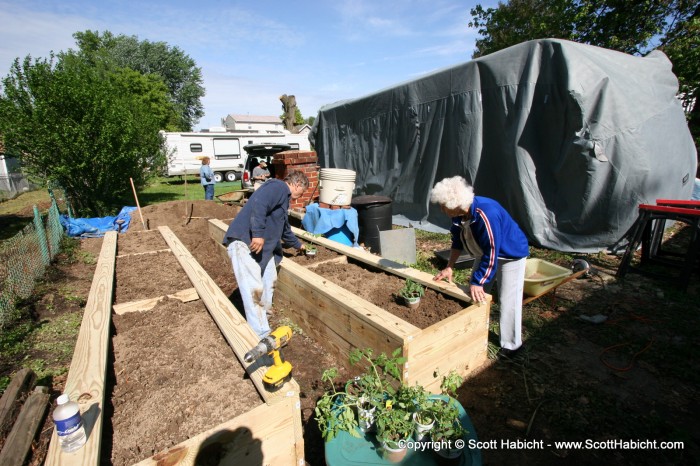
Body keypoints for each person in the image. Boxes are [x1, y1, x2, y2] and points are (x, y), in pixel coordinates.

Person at [430, 176, 529, 359]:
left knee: (508, 300)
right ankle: (474, 329)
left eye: (443, 205)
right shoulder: (459, 215)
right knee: (474, 293)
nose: (442, 209)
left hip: (509, 254)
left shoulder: (486, 213)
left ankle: (512, 346)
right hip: (485, 253)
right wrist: (450, 266)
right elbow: (457, 241)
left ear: (454, 204)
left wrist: (478, 281)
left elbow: (493, 251)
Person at [223, 170, 309, 337]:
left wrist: (299, 246)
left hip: (262, 249)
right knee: (253, 289)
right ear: (297, 184)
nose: (301, 195)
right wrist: (257, 234)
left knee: (269, 279)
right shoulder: (277, 187)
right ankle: (261, 335)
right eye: (302, 191)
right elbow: (259, 203)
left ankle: (265, 317)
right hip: (245, 243)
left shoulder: (283, 201)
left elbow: (285, 230)